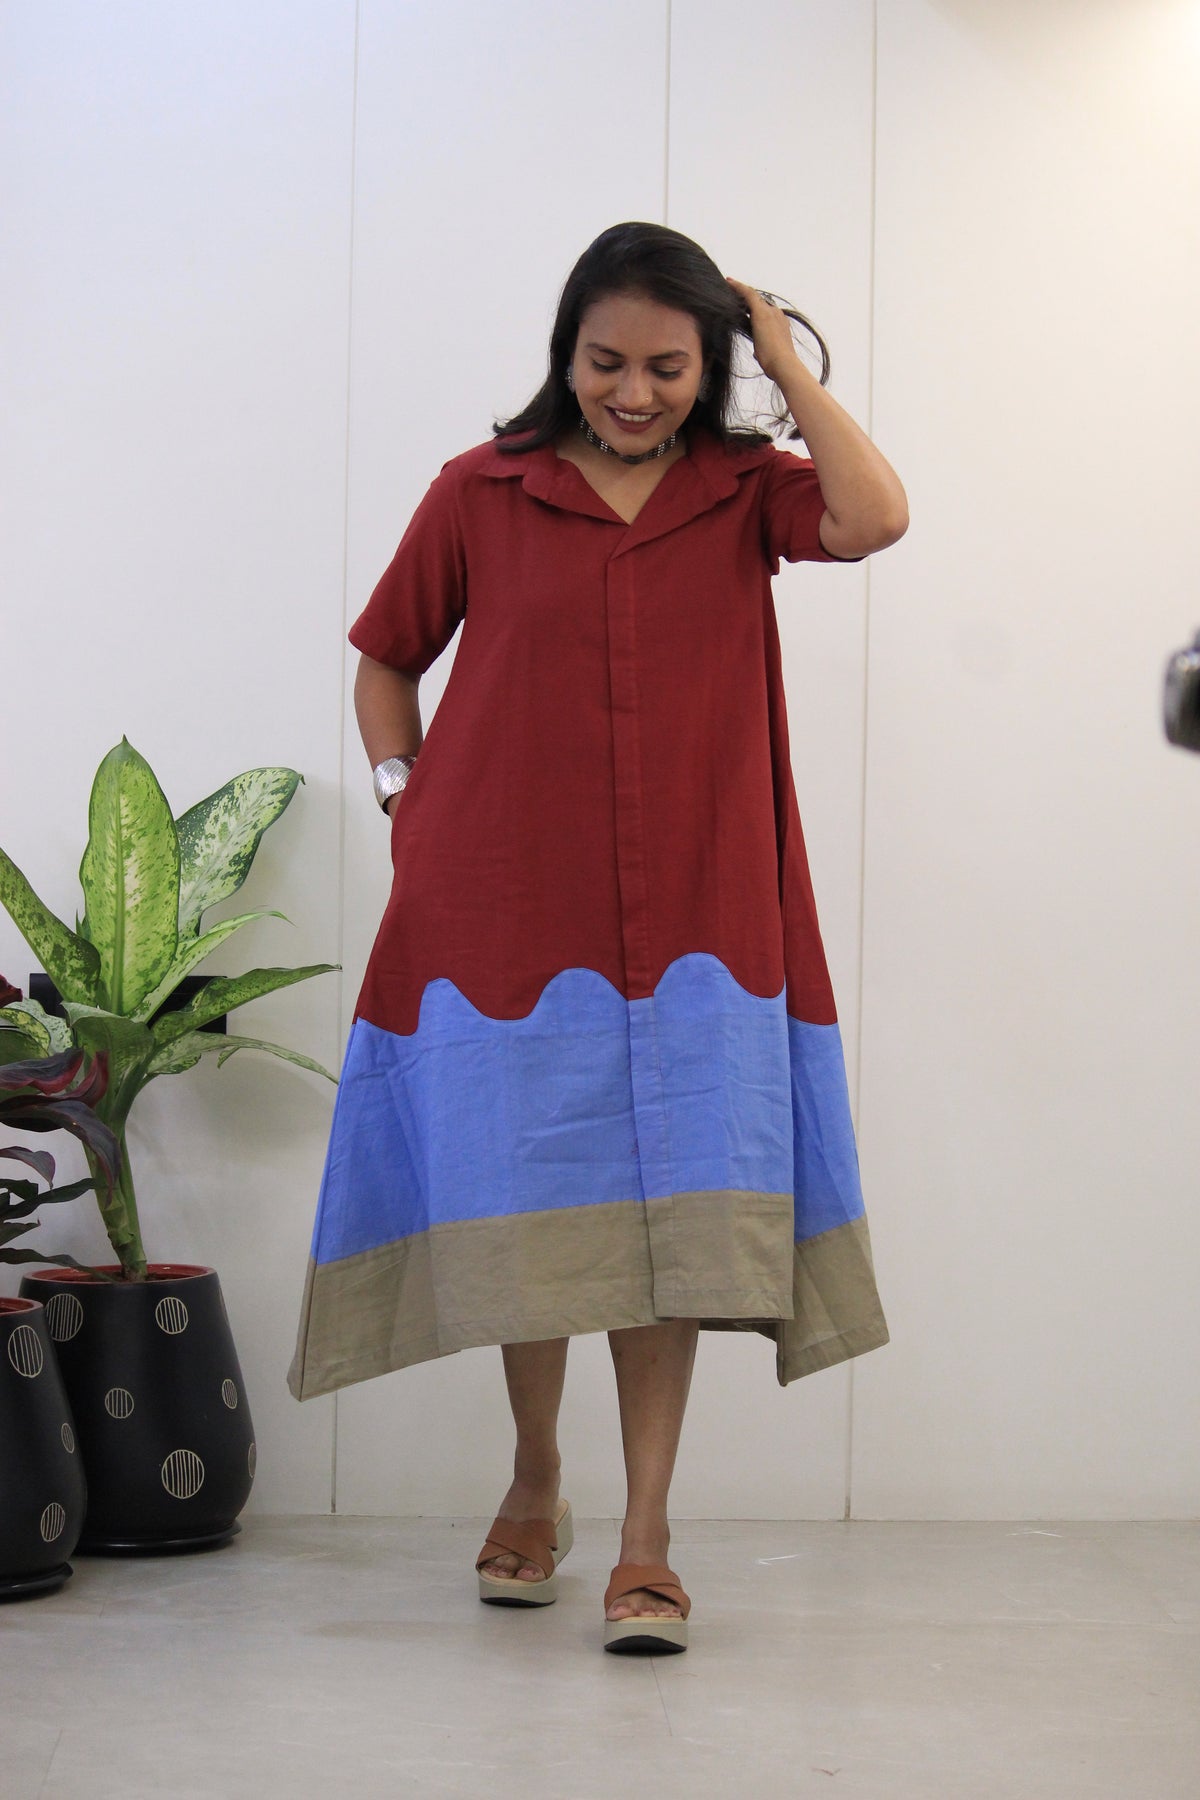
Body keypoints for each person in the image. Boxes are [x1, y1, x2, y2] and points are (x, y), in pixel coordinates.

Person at [289, 221, 908, 1654]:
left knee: (671, 1219)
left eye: (669, 367)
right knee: (537, 1206)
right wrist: (405, 795)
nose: (634, 392)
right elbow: (386, 659)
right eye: (606, 361)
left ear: (712, 367)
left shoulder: (745, 491)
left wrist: (778, 355)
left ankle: (647, 1538)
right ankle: (533, 1477)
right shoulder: (481, 491)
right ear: (566, 352)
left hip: (700, 914)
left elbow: (876, 516)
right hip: (510, 906)